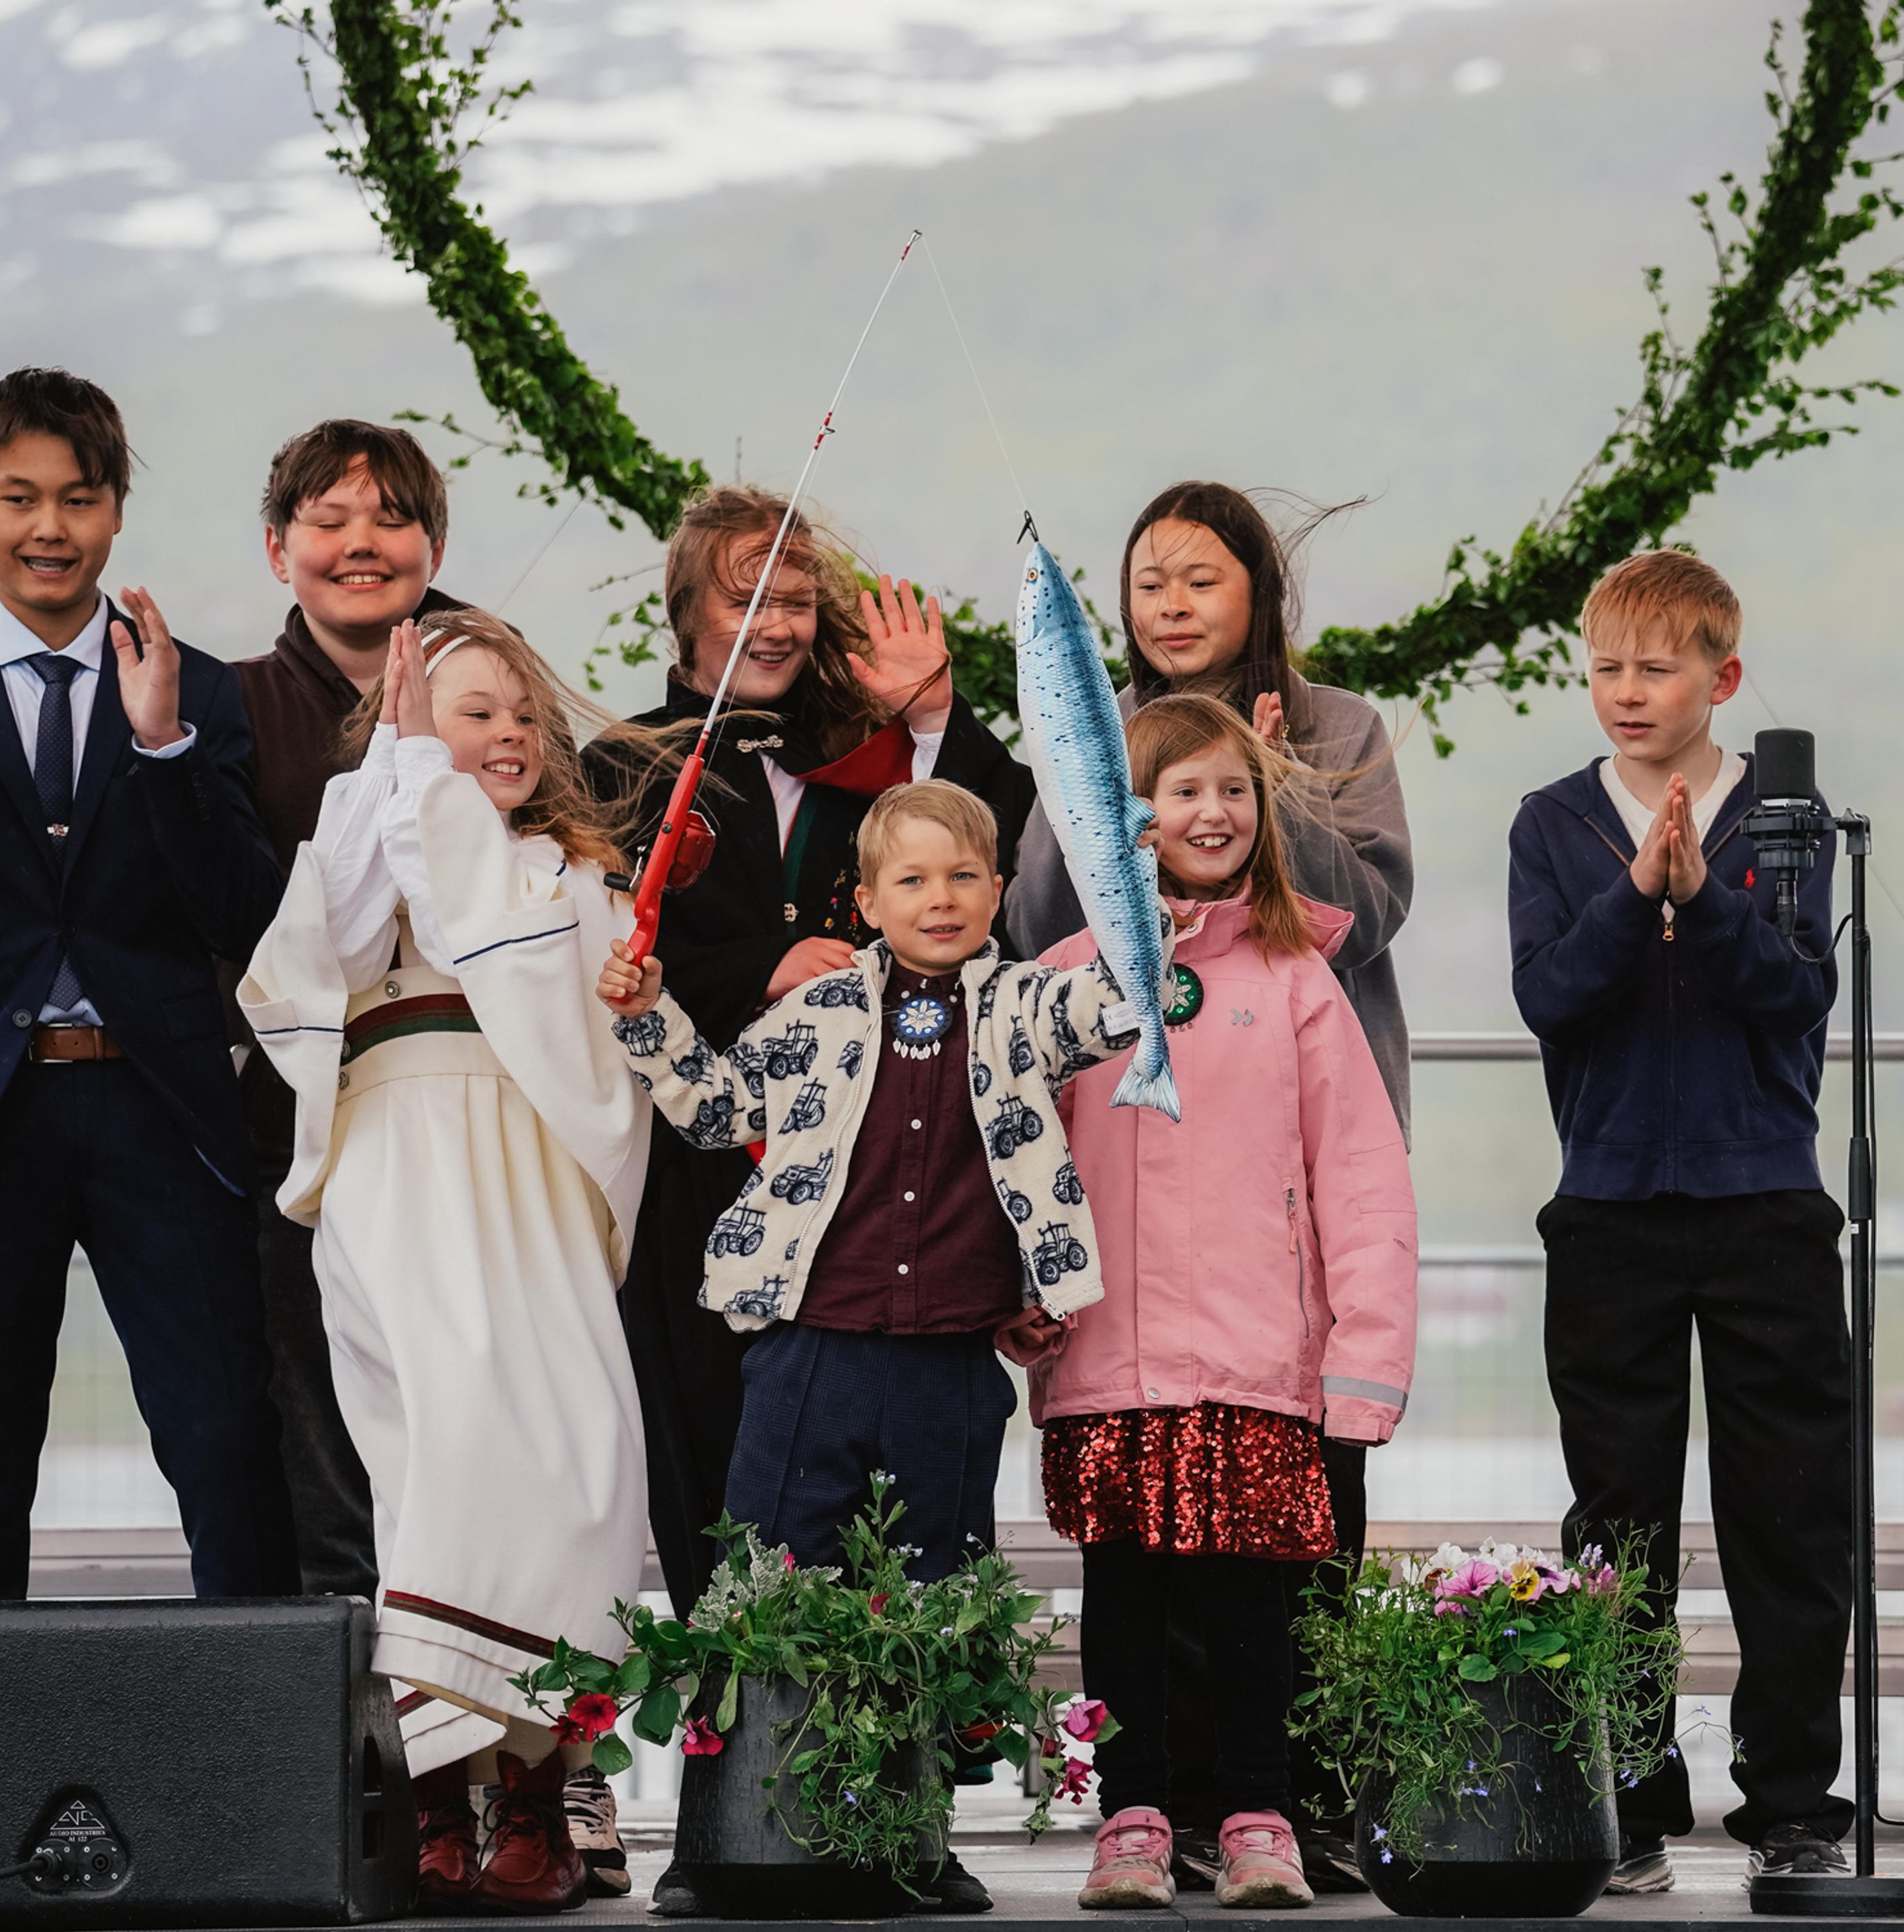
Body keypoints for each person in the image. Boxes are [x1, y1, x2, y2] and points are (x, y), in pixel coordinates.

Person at [597, 778, 1166, 1919]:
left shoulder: (1028, 1005)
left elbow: (1124, 1002)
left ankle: (915, 1839)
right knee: (761, 1583)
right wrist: (650, 1011)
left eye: (963, 876)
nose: (939, 898)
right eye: (912, 879)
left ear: (999, 890)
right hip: (810, 1346)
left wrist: (1135, 875)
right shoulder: (817, 1011)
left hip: (951, 1360)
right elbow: (715, 1109)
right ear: (866, 901)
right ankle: (719, 1840)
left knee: (933, 1591)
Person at [1002, 480, 1412, 1887]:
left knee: (1280, 1567)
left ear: (1258, 592)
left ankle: (1283, 1809)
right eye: (1150, 581)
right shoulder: (1089, 739)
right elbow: (1035, 936)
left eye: (1202, 578)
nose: (1172, 604)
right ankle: (1152, 1811)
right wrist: (1091, 805)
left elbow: (1369, 913)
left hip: (1266, 1270)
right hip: (1122, 1292)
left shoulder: (1334, 734)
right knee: (1133, 1574)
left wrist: (1276, 786)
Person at [0, 365, 296, 1602]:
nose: (50, 527)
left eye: (79, 499)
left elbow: (242, 916)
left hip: (162, 1108)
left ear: (116, 512)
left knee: (225, 1448)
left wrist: (164, 747)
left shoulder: (195, 686)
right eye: (20, 498)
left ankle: (259, 1731)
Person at [242, 609, 652, 1911]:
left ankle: (536, 1785)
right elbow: (333, 945)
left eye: (526, 714)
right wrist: (402, 770)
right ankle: (438, 1796)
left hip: (529, 1170)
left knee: (575, 1463)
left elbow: (525, 966)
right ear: (408, 726)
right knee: (442, 1462)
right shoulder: (366, 836)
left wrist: (427, 774)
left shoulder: (565, 875)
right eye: (476, 711)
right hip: (404, 1167)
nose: (511, 733)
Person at [584, 486, 1035, 1618]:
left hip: (873, 1175)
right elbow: (601, 960)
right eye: (747, 600)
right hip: (694, 1161)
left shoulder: (870, 751)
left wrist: (932, 720)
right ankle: (729, 1706)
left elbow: (1001, 864)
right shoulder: (622, 764)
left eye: (794, 601)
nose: (776, 625)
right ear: (686, 610)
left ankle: (890, 1716)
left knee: (885, 1479)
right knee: (702, 1438)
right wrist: (762, 966)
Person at [1508, 549, 1851, 1891]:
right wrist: (1635, 891)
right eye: (1607, 668)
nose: (1629, 691)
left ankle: (1795, 1802)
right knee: (1619, 1523)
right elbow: (1550, 995)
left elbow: (1798, 992)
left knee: (1789, 1514)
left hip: (1766, 1204)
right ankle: (1631, 1798)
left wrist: (1702, 899)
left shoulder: (1786, 816)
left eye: (1659, 667)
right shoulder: (1553, 822)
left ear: (1725, 676)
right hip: (1608, 1211)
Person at [223, 419, 480, 1609]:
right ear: (280, 550)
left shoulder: (496, 688)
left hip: (471, 1120)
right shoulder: (228, 706)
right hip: (301, 1124)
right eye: (329, 521)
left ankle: (484, 1696)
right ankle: (344, 1715)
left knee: (472, 1408)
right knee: (318, 1422)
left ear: (436, 545)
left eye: (391, 519)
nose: (361, 544)